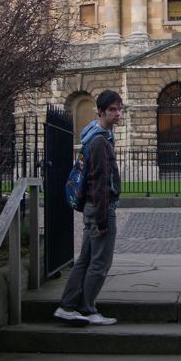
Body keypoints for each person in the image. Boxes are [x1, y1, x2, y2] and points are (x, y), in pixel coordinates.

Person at [54, 89, 123, 325]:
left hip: (92, 208)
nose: (117, 114)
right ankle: (87, 309)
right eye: (112, 109)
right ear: (101, 111)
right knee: (100, 262)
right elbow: (101, 184)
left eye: (119, 109)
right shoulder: (101, 142)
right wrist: (103, 220)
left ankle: (67, 305)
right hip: (101, 209)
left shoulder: (92, 137)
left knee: (84, 259)